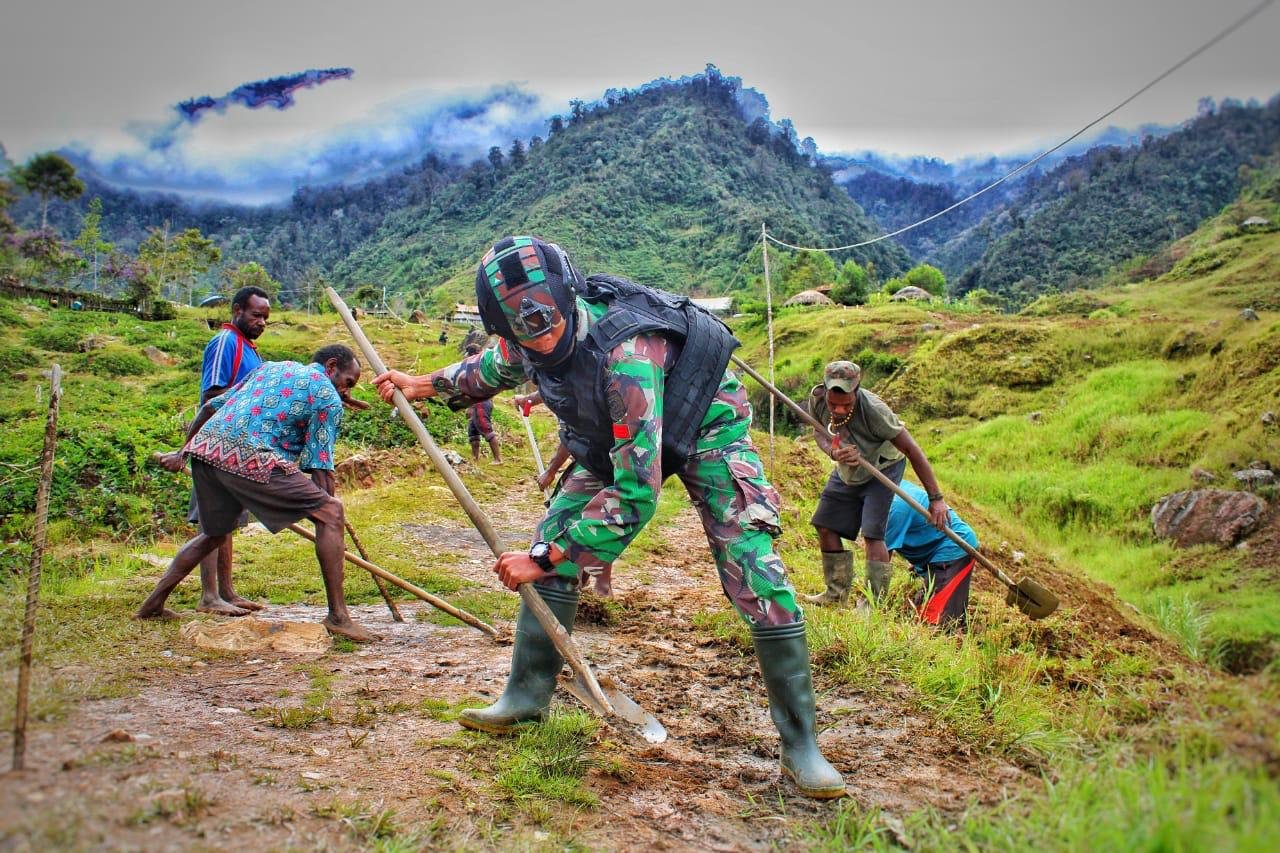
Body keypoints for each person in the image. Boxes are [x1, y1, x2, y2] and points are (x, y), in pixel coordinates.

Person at [375, 236, 844, 799]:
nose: (542, 336)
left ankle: (801, 746)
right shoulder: (524, 339)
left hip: (705, 428)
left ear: (568, 298)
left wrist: (545, 559)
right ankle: (526, 698)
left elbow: (635, 496)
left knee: (754, 569)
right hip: (614, 437)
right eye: (525, 330)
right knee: (554, 534)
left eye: (549, 321)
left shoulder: (625, 356)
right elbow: (490, 369)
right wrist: (422, 384)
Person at [140, 345, 379, 643]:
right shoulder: (327, 397)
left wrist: (182, 453)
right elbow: (320, 465)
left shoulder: (272, 368)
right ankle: (339, 617)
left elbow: (209, 408)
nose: (346, 391)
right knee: (331, 513)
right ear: (331, 367)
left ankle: (152, 604)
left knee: (213, 534)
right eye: (348, 382)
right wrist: (327, 512)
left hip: (206, 450)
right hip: (249, 457)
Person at [806, 361, 949, 607]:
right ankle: (836, 595)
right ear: (826, 389)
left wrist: (936, 499)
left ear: (857, 390)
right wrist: (833, 451)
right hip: (847, 469)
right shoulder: (818, 399)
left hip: (882, 469)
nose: (838, 410)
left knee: (873, 533)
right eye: (834, 404)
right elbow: (819, 431)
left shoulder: (874, 410)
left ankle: (872, 605)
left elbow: (912, 450)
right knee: (825, 524)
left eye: (846, 404)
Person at [189, 285, 270, 617]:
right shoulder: (227, 342)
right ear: (236, 311)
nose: (262, 322)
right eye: (256, 315)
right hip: (217, 439)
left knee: (229, 519)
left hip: (240, 442)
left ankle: (227, 592)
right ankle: (209, 596)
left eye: (266, 317)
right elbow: (213, 394)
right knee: (212, 519)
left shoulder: (250, 349)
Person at [512, 390, 611, 596]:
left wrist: (550, 471)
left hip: (600, 460)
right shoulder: (561, 379)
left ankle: (561, 592)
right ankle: (586, 586)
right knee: (593, 520)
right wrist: (527, 400)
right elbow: (549, 388)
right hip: (604, 457)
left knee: (555, 526)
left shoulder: (577, 390)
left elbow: (570, 440)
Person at [884, 481, 979, 632]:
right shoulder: (887, 485)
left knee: (936, 623)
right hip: (931, 553)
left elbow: (881, 556)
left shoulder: (895, 506)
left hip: (954, 547)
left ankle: (955, 641)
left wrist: (872, 601)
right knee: (923, 609)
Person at [463, 343, 503, 464]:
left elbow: (474, 387)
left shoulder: (477, 366)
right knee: (473, 430)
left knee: (485, 428)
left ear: (471, 354)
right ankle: (475, 458)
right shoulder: (481, 365)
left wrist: (470, 406)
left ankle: (498, 459)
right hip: (479, 401)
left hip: (480, 402)